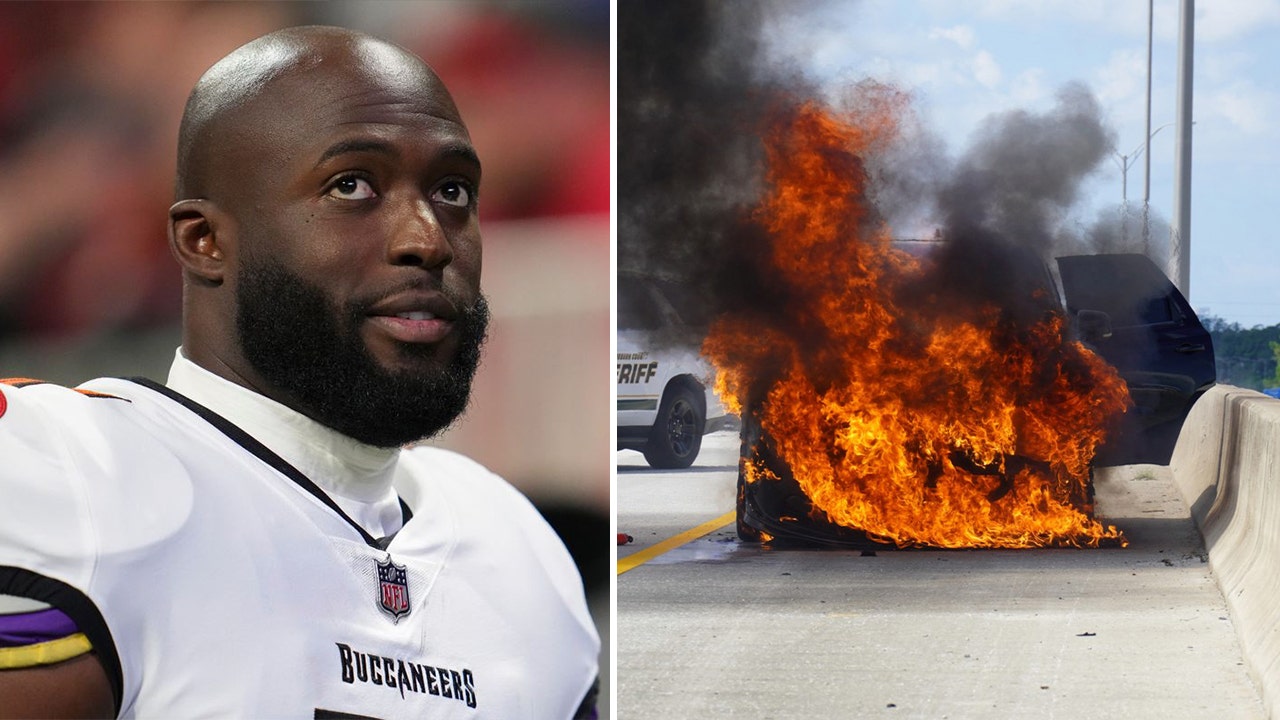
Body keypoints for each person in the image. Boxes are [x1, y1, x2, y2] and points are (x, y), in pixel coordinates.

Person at [0, 25, 599, 718]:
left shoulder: (519, 549)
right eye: (352, 185)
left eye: (454, 192)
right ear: (205, 241)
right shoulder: (72, 479)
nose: (426, 239)